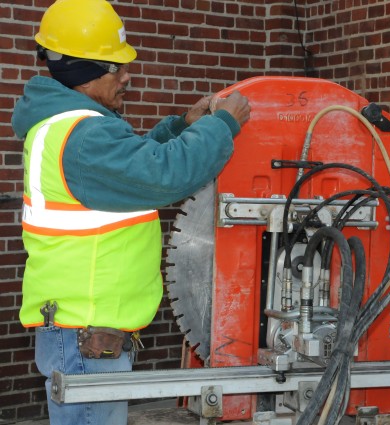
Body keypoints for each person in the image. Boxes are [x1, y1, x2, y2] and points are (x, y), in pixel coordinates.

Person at [11, 0, 250, 424]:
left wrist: (180, 128)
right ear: (84, 72)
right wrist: (221, 126)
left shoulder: (69, 126)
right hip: (87, 337)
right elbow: (160, 177)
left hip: (81, 332)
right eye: (115, 68)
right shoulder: (83, 135)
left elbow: (129, 171)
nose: (127, 76)